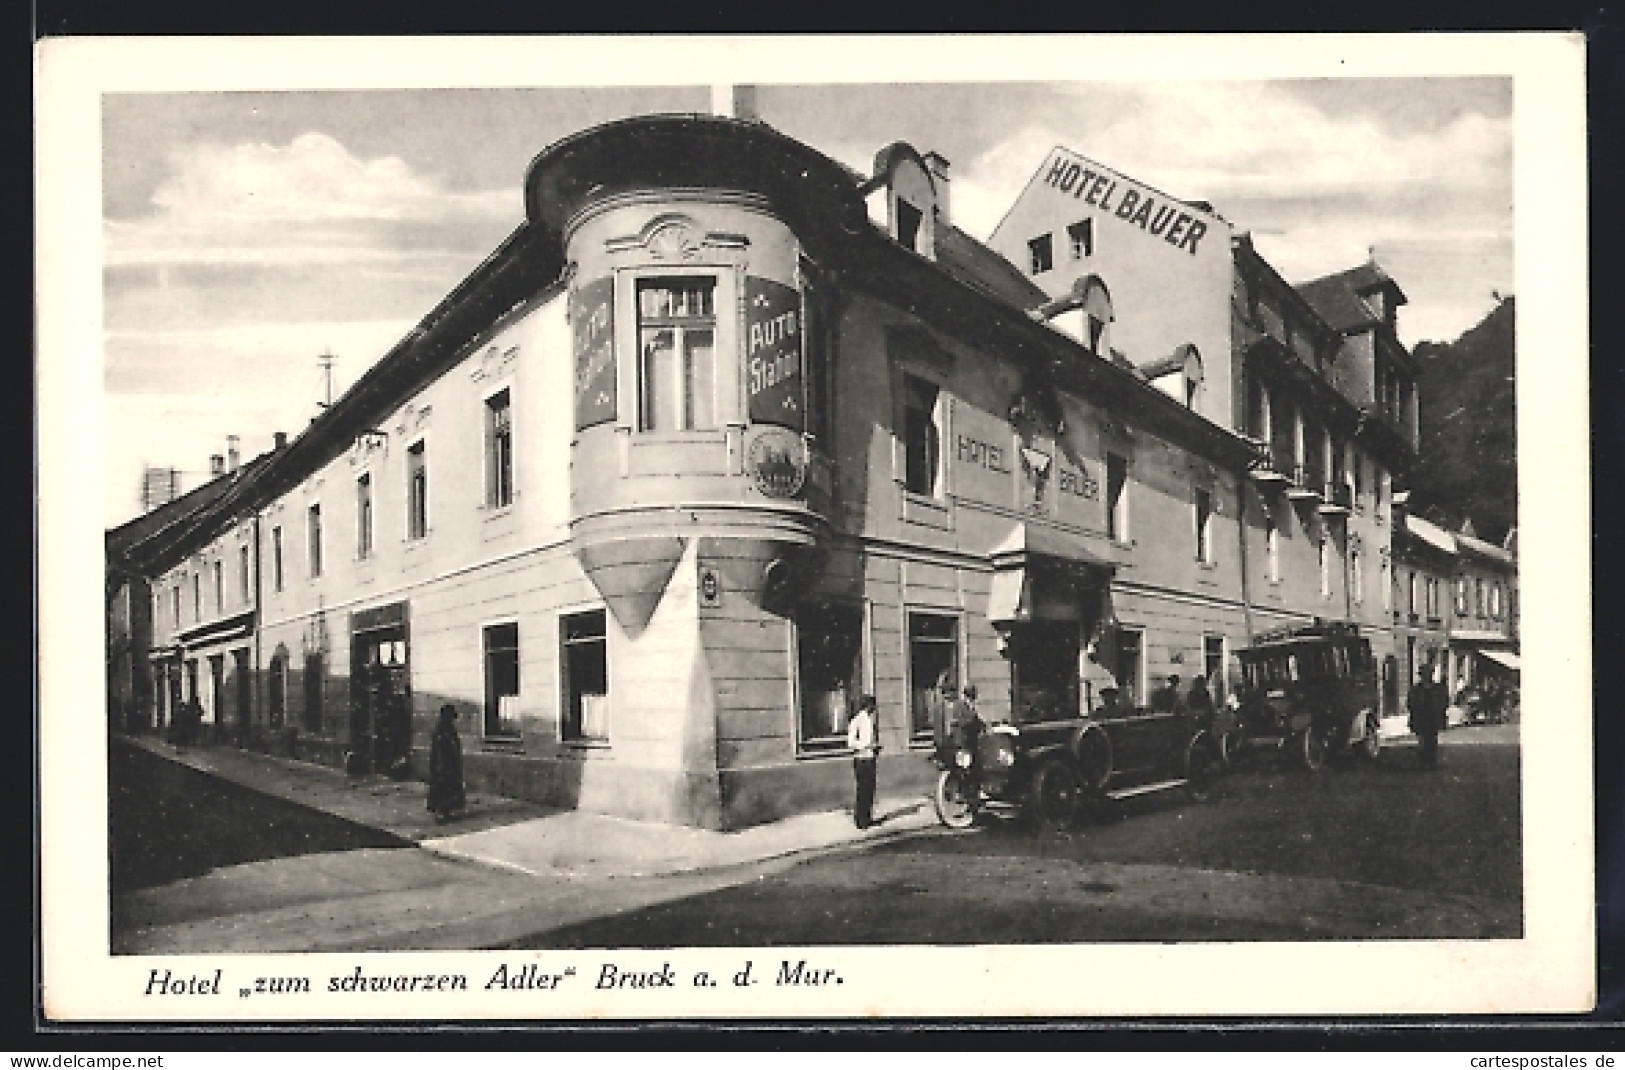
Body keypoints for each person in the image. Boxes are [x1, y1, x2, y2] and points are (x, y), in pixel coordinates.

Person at [427, 704, 466, 822]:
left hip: (450, 765)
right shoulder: (441, 730)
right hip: (444, 766)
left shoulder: (448, 729)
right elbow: (439, 750)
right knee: (443, 789)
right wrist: (440, 767)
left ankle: (445, 812)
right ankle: (440, 813)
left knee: (449, 789)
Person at [847, 694, 880, 829]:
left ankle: (867, 818)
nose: (874, 708)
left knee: (870, 790)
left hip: (870, 758)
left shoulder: (869, 720)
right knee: (863, 790)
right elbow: (850, 742)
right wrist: (866, 745)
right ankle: (860, 821)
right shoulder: (857, 720)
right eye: (873, 706)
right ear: (868, 706)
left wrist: (875, 747)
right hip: (861, 760)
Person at [1408, 663, 1445, 770]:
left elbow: (1443, 702)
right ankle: (1423, 762)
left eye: (1428, 674)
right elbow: (1410, 703)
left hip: (1433, 717)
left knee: (1432, 740)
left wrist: (1440, 712)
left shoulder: (1438, 689)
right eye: (1424, 674)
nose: (1426, 676)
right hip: (1421, 717)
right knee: (1422, 741)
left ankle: (1432, 762)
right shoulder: (1416, 689)